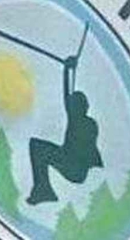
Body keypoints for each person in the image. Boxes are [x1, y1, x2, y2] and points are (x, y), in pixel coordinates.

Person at [27, 55, 103, 205]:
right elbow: (67, 96)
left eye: (74, 104)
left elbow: (67, 96)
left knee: (37, 147)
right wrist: (66, 70)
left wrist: (67, 69)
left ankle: (43, 189)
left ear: (82, 107)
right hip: (72, 164)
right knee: (37, 146)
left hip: (74, 167)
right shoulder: (80, 119)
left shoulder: (84, 123)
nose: (70, 106)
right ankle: (43, 189)